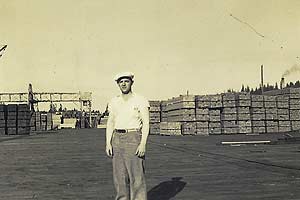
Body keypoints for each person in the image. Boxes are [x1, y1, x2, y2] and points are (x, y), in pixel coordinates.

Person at [106, 72, 150, 200]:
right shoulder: (114, 101)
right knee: (119, 177)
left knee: (136, 177)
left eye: (126, 81)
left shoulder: (140, 100)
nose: (124, 84)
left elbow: (146, 123)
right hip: (117, 139)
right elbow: (110, 122)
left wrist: (142, 144)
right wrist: (108, 142)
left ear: (132, 83)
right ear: (118, 84)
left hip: (133, 137)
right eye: (121, 82)